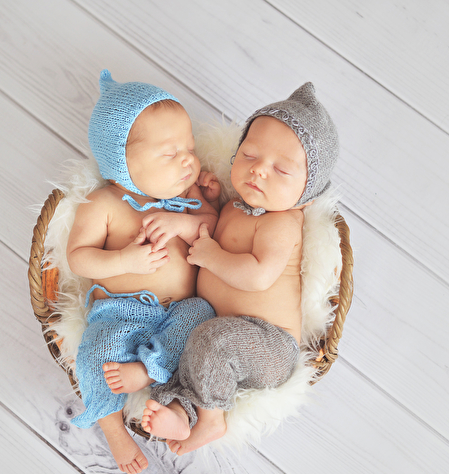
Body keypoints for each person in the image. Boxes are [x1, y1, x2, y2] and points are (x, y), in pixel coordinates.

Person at [141, 82, 339, 454]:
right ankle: (180, 413)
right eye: (249, 154)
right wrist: (209, 200)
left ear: (307, 194)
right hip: (220, 332)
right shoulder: (234, 208)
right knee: (183, 347)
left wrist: (212, 257)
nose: (259, 170)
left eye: (281, 169)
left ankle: (212, 419)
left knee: (211, 341)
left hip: (268, 344)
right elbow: (209, 232)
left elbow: (258, 274)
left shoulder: (282, 223)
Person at [66, 70, 218, 474]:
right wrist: (123, 262)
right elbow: (79, 258)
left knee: (203, 318)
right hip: (119, 313)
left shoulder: (186, 198)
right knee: (96, 352)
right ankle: (113, 427)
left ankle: (153, 379)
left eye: (190, 147)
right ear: (120, 161)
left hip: (178, 311)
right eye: (170, 153)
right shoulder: (103, 204)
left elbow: (213, 228)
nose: (188, 160)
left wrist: (187, 220)